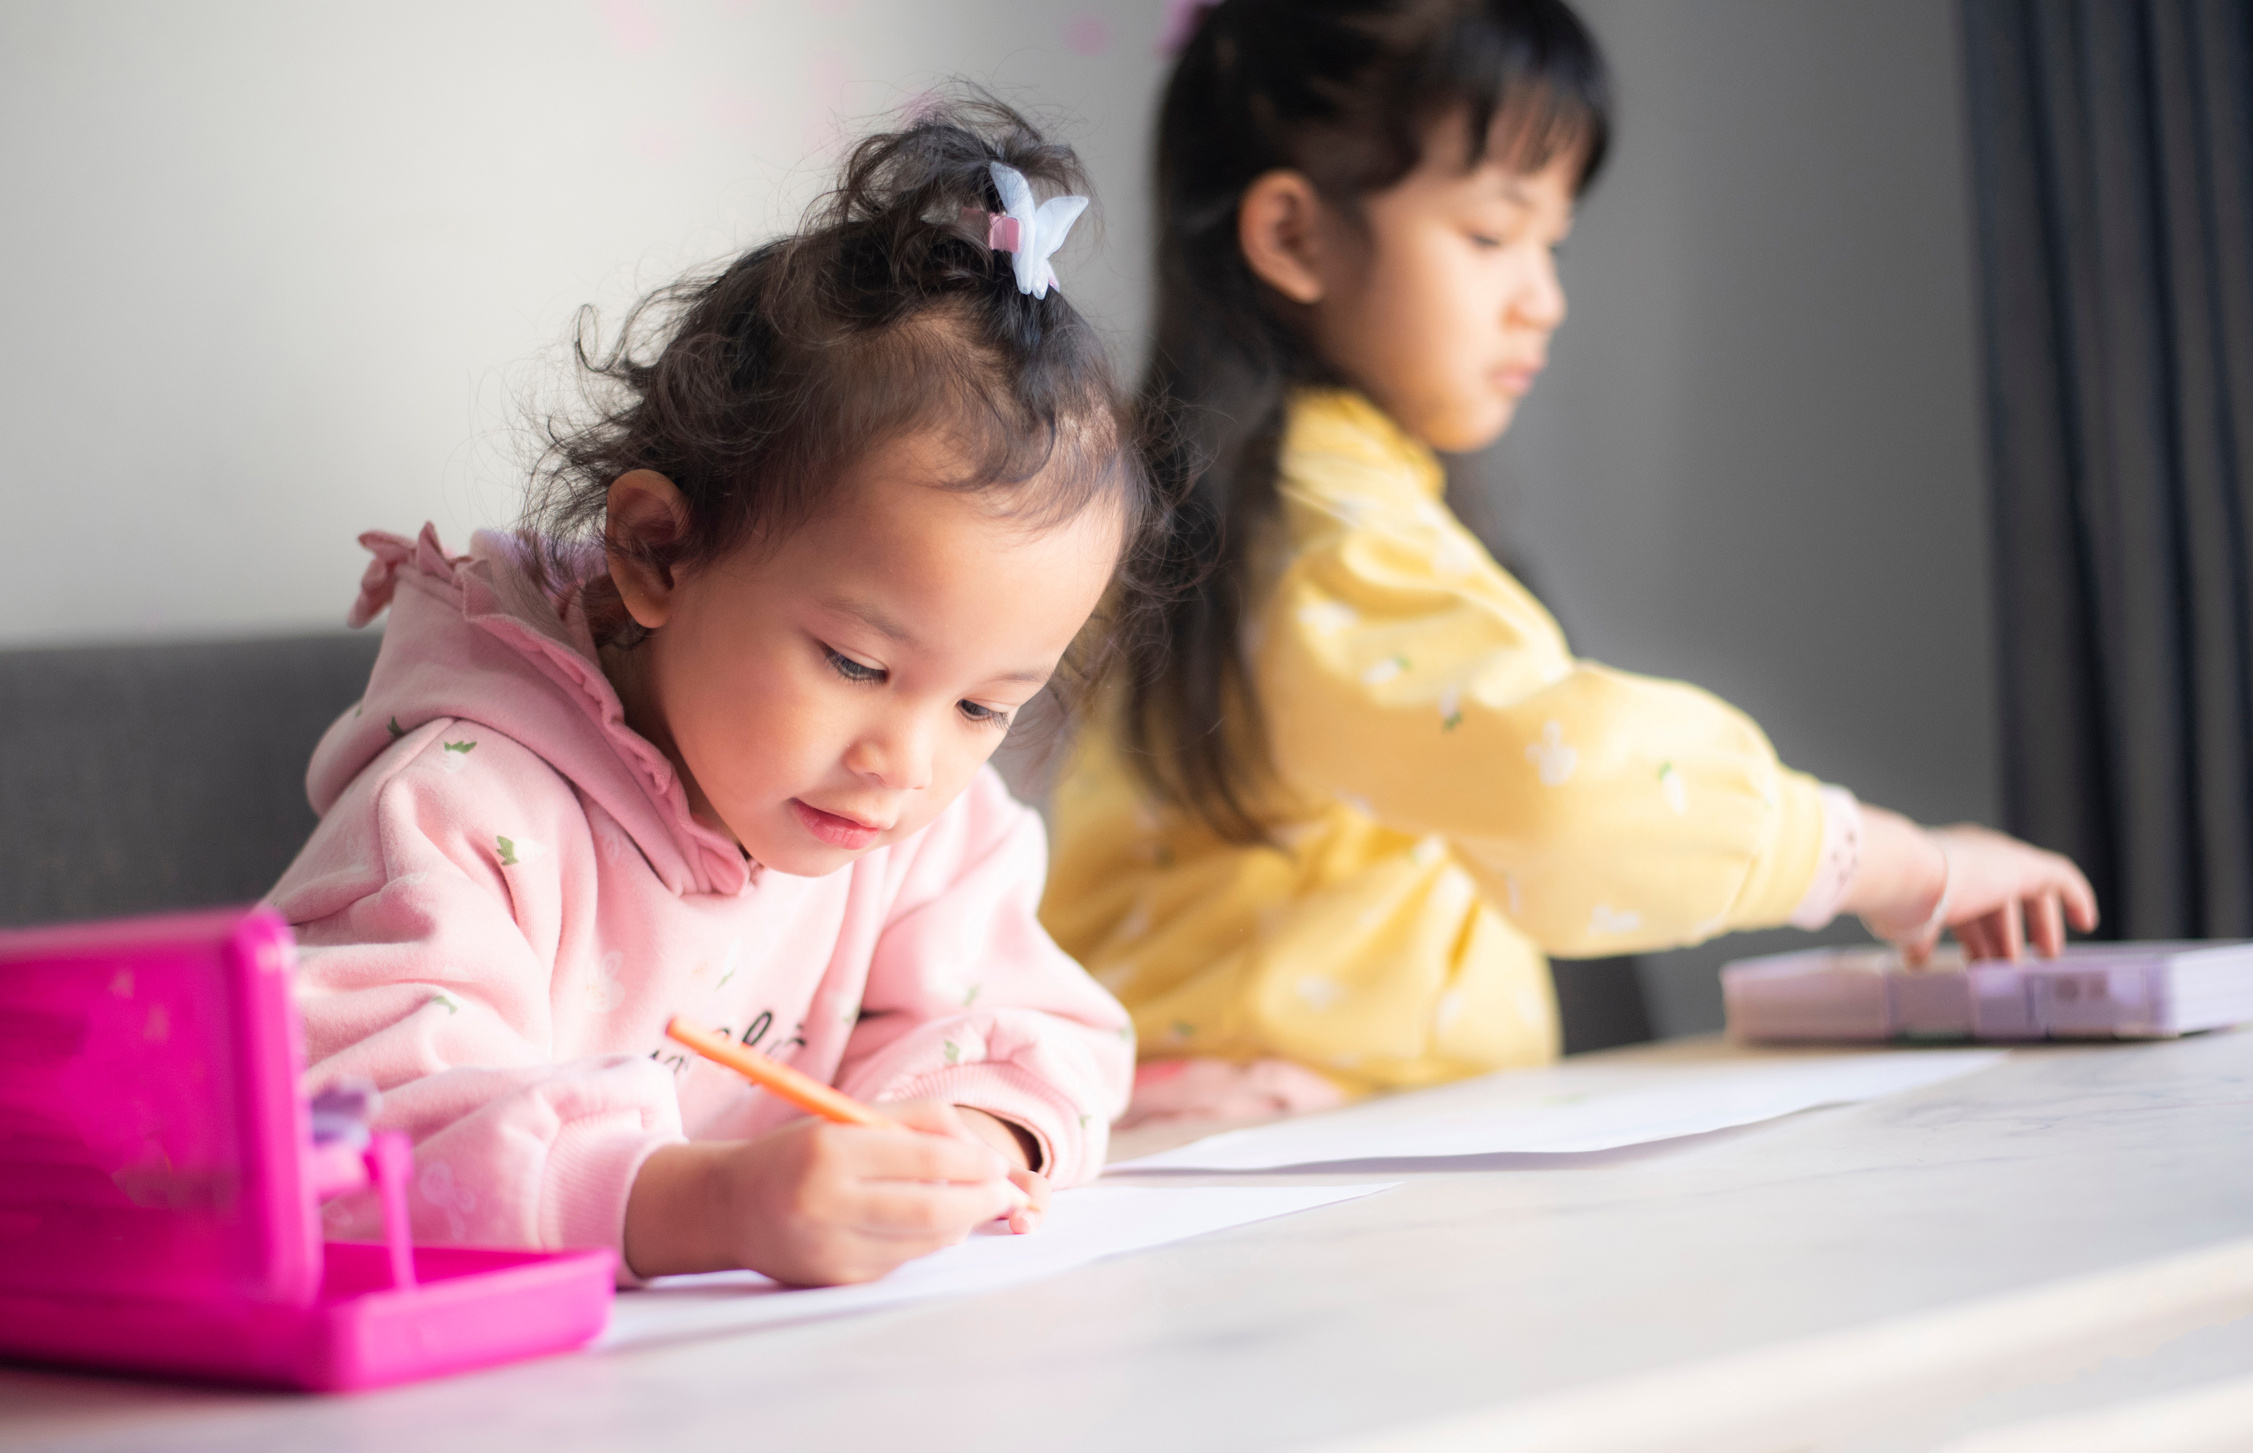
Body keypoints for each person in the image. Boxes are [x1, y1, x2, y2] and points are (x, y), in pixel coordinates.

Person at [1041, 0, 2097, 1125]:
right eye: (1493, 235)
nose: (1543, 299)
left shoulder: (1249, 499)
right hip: (1276, 1146)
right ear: (1297, 238)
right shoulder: (1319, 527)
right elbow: (1568, 788)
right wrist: (1898, 865)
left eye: (1553, 240)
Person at [274, 101, 1148, 1286]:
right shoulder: (459, 814)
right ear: (658, 551)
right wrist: (692, 1205)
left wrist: (965, 1132)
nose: (907, 760)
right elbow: (338, 1128)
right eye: (855, 665)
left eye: (984, 708)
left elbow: (1047, 1033)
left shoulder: (915, 822)